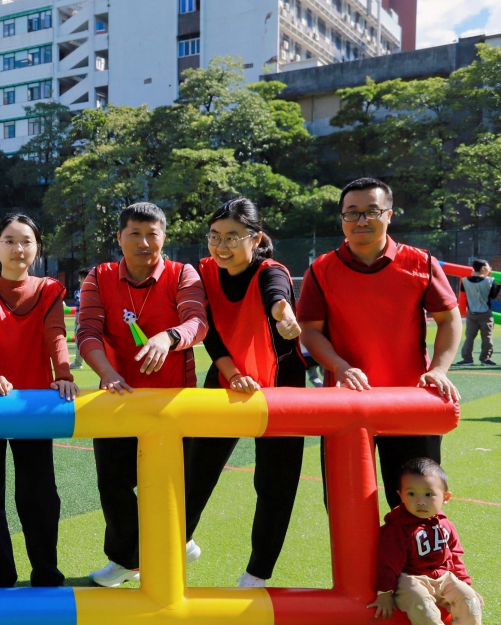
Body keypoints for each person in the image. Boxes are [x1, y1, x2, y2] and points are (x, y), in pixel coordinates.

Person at [298, 177, 462, 508]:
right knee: (346, 509)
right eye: (351, 212)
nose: (361, 220)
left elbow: (449, 318)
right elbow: (310, 331)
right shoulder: (321, 269)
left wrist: (439, 369)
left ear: (389, 214)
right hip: (346, 405)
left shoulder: (420, 263)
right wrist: (340, 367)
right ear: (341, 218)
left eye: (371, 211)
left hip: (411, 402)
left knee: (415, 508)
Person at [76, 202, 207, 587]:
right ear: (120, 238)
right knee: (112, 484)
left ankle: (172, 543)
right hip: (119, 396)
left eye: (152, 234)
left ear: (164, 237)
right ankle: (128, 559)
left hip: (172, 401)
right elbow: (87, 331)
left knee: (166, 484)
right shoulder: (99, 276)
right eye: (135, 233)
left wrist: (168, 338)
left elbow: (197, 322)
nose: (144, 242)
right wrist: (107, 372)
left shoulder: (183, 273)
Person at [184, 199, 306, 589]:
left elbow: (276, 297)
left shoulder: (271, 271)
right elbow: (210, 333)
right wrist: (233, 374)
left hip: (280, 386)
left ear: (256, 239)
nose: (222, 246)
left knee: (274, 484)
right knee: (195, 471)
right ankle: (179, 543)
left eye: (233, 237)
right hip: (227, 378)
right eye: (215, 236)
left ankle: (258, 573)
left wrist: (285, 315)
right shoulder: (204, 271)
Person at [0, 212, 76, 588]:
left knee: (38, 495)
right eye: (9, 241)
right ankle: (0, 576)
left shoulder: (49, 289)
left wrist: (64, 375)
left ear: (37, 248)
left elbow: (56, 335)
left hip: (32, 405)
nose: (18, 248)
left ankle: (46, 573)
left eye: (26, 241)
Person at [369, 458, 496, 625]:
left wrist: (464, 583)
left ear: (445, 497)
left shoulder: (445, 524)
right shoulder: (396, 528)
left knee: (468, 596)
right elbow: (387, 563)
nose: (420, 501)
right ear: (400, 496)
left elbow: (455, 555)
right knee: (419, 598)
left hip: (443, 576)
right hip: (411, 577)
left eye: (428, 494)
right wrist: (385, 592)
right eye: (411, 494)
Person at [457, 260, 499, 366]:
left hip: (471, 313)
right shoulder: (490, 280)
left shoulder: (465, 280)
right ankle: (485, 359)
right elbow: (493, 296)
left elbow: (463, 291)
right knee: (487, 337)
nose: (490, 269)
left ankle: (467, 359)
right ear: (483, 268)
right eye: (488, 267)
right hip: (485, 313)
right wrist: (499, 287)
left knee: (469, 337)